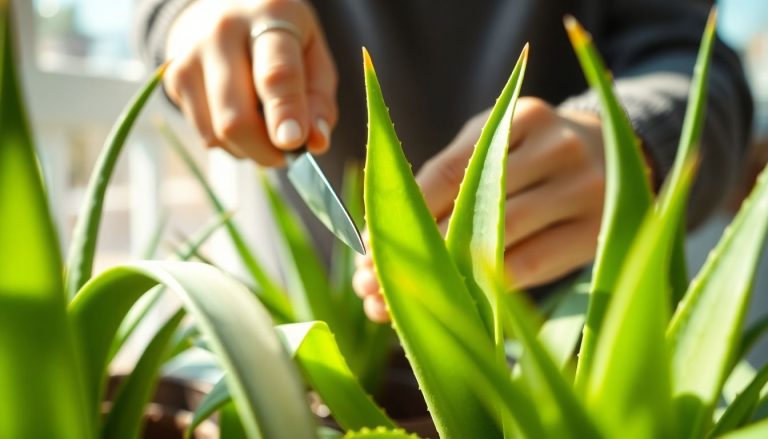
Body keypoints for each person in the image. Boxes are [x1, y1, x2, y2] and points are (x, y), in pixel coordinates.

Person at [134, 0, 752, 322]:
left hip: (574, 327)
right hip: (297, 331)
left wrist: (631, 139)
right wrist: (191, 18)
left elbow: (702, 64)